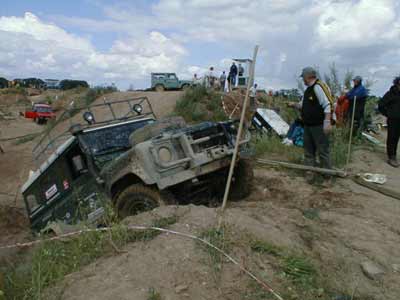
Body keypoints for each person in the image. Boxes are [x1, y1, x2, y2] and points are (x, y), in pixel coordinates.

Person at [290, 67, 333, 173]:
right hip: (308, 125)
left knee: (323, 151)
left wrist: (327, 123)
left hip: (319, 125)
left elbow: (328, 105)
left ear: (307, 76)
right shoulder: (308, 90)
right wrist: (294, 105)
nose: (303, 80)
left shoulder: (319, 87)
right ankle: (310, 172)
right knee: (308, 150)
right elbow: (304, 106)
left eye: (303, 78)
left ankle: (327, 175)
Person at [379, 76, 400, 168]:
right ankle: (391, 157)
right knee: (392, 138)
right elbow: (381, 105)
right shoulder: (390, 94)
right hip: (393, 119)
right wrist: (388, 114)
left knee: (396, 138)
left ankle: (394, 156)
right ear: (397, 83)